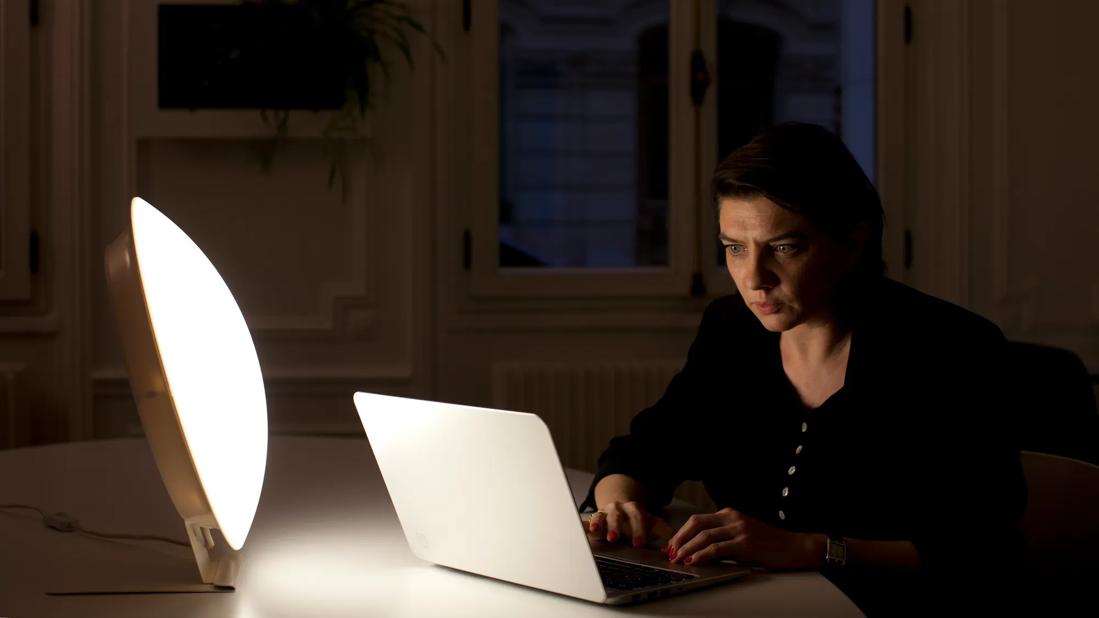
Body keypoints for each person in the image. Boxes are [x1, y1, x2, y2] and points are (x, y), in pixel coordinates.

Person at [580, 122, 1026, 615]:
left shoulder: (952, 350)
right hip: (747, 603)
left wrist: (810, 547)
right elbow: (642, 451)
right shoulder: (731, 331)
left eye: (785, 247)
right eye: (734, 248)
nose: (754, 278)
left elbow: (983, 554)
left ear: (852, 244)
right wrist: (617, 506)